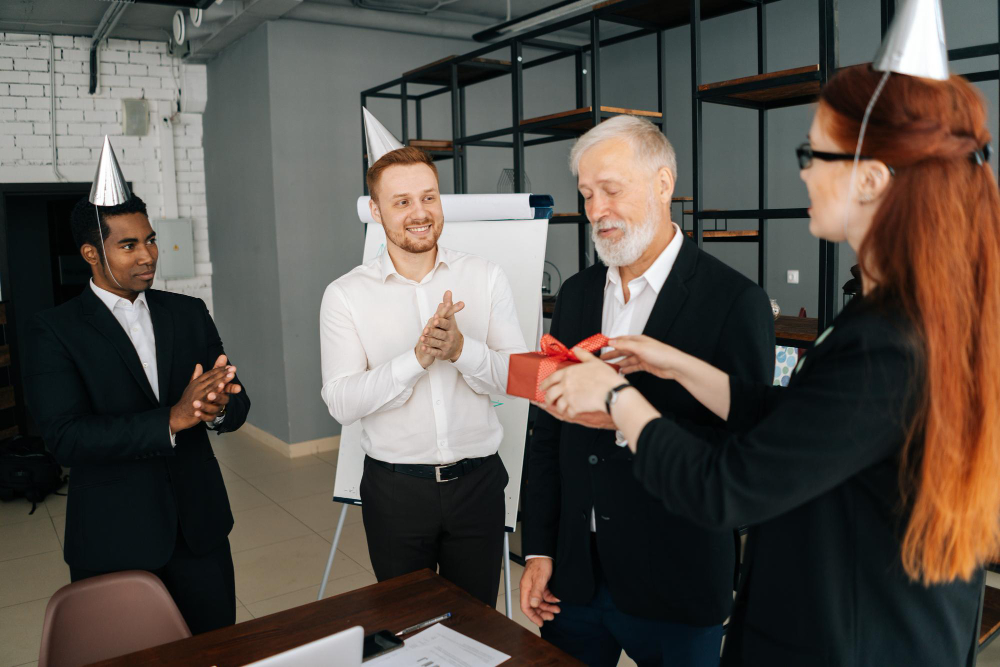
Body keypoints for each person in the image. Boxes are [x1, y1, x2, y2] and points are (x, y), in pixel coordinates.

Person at [537, 64, 996, 666]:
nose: (803, 171)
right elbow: (803, 422)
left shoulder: (886, 340)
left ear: (872, 179)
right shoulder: (904, 315)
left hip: (849, 640)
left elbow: (727, 487)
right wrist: (677, 365)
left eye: (815, 153)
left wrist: (618, 398)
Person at [520, 115, 775, 666]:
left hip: (676, 580)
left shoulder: (736, 302)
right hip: (575, 580)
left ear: (663, 184)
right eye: (587, 194)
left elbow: (746, 451)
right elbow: (545, 431)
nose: (596, 211)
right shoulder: (576, 294)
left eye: (611, 189)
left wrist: (625, 415)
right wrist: (538, 546)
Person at [24, 143, 250, 635]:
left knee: (216, 650)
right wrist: (172, 418)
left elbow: (238, 403)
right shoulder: (54, 330)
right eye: (129, 246)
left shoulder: (187, 312)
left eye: (149, 240)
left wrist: (215, 410)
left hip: (201, 530)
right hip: (114, 536)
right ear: (91, 253)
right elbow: (66, 438)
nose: (149, 255)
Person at [319, 145, 527, 606]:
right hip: (395, 493)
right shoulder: (345, 295)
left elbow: (521, 379)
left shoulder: (486, 276)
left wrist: (460, 350)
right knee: (407, 627)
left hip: (479, 487)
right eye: (402, 201)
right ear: (375, 210)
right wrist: (415, 360)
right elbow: (341, 401)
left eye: (428, 197)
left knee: (477, 628)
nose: (419, 213)